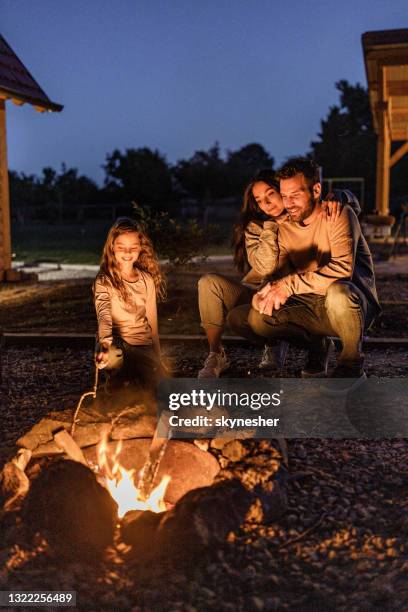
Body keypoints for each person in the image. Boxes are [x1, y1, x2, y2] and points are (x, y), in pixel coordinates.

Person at [228, 157, 380, 383]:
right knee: (254, 318)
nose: (288, 203)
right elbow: (276, 273)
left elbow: (341, 270)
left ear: (316, 190)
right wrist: (266, 293)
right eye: (284, 196)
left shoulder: (338, 213)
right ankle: (317, 345)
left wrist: (343, 195)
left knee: (339, 292)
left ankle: (351, 362)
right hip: (311, 303)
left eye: (295, 195)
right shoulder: (284, 225)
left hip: (351, 304)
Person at [197, 169, 345, 378]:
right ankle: (216, 354)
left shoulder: (304, 216)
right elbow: (265, 266)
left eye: (270, 194)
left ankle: (317, 345)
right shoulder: (257, 228)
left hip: (296, 296)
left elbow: (349, 208)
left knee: (260, 316)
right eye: (259, 200)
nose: (266, 204)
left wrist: (340, 195)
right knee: (208, 283)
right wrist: (271, 227)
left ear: (282, 191)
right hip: (261, 292)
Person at [94, 217, 166, 393]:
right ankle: (114, 384)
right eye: (121, 247)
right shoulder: (104, 281)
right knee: (114, 358)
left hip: (142, 346)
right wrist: (104, 345)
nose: (127, 252)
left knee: (157, 389)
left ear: (141, 248)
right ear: (112, 247)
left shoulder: (146, 280)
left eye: (133, 248)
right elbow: (104, 316)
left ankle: (135, 378)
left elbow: (153, 325)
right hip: (116, 345)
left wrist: (158, 359)